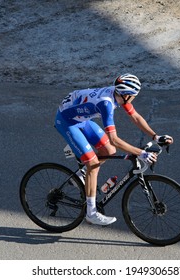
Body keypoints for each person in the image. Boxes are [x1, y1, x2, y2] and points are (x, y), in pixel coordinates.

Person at [55, 73, 173, 226]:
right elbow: (115, 139)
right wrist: (141, 153)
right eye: (134, 96)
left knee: (109, 151)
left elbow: (135, 117)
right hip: (67, 122)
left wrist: (155, 137)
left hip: (81, 119)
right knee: (93, 164)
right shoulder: (106, 104)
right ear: (126, 95)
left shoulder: (117, 93)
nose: (134, 98)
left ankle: (79, 176)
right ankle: (91, 214)